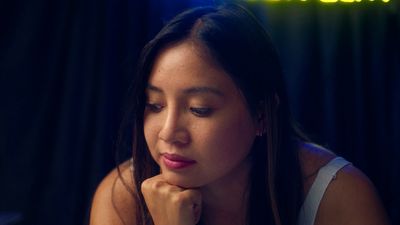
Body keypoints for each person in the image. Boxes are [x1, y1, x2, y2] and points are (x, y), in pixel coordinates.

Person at [89, 4, 390, 225]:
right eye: (155, 105)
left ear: (262, 114)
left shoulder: (338, 197)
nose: (168, 132)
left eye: (199, 109)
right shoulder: (123, 196)